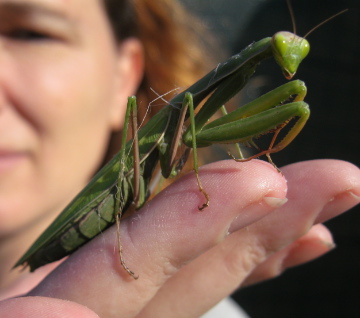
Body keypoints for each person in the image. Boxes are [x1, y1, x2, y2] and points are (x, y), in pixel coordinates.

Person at [0, 1, 359, 317]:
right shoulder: (187, 107)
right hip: (95, 204)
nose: (291, 60)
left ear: (125, 74)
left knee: (300, 100)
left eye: (32, 33)